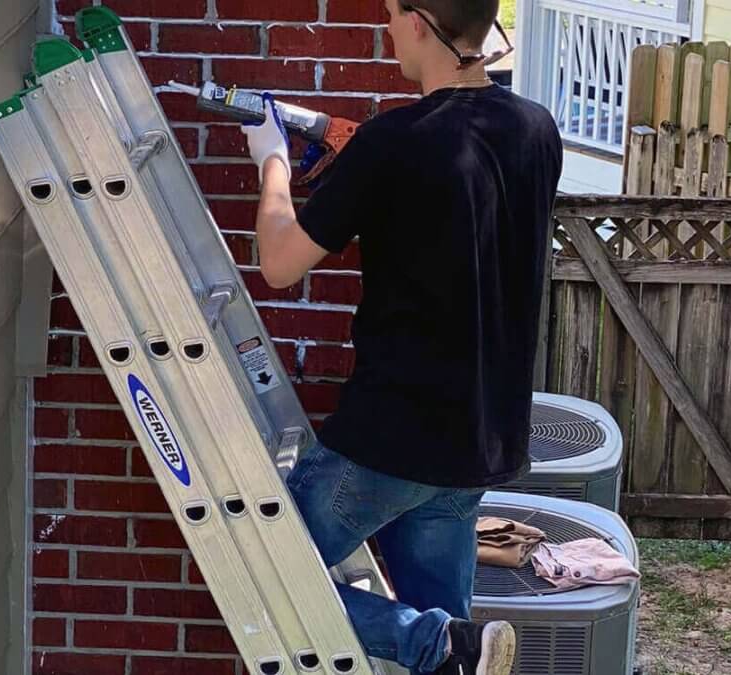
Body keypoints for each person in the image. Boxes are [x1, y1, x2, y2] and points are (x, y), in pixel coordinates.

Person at [239, 1, 563, 672]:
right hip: (477, 443)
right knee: (457, 665)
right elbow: (455, 189)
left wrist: (271, 160)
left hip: (387, 442)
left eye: (390, 14)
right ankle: (450, 646)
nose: (387, 28)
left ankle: (428, 637)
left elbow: (278, 262)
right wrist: (360, 169)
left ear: (419, 21)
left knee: (265, 576)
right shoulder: (537, 131)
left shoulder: (390, 144)